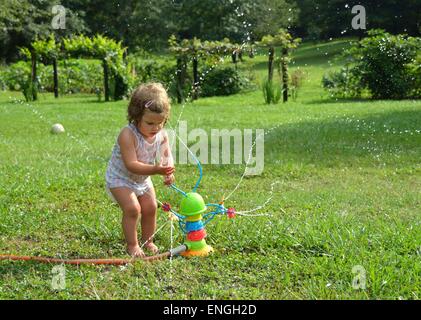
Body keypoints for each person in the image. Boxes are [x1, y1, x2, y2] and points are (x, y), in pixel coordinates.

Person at [106, 83, 175, 258]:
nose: (156, 128)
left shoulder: (161, 134)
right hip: (120, 179)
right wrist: (156, 170)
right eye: (150, 123)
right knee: (132, 209)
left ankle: (148, 240)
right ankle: (132, 245)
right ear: (136, 116)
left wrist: (168, 171)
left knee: (151, 207)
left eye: (161, 123)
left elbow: (167, 157)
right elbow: (131, 164)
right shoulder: (127, 135)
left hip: (142, 179)